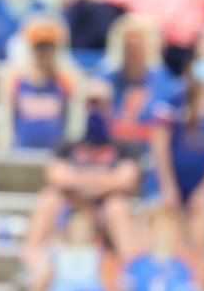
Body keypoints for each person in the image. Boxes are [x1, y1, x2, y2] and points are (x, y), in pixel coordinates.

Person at [143, 48, 204, 289]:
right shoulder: (174, 98)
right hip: (167, 180)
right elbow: (158, 146)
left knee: (200, 242)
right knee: (162, 239)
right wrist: (167, 186)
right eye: (203, 61)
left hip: (201, 184)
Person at [22, 110, 139, 266]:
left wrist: (86, 181)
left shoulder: (121, 146)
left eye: (100, 105)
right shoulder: (69, 144)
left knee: (117, 207)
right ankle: (31, 260)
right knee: (48, 199)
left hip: (103, 209)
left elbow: (127, 178)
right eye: (91, 104)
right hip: (72, 205)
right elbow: (54, 174)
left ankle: (130, 268)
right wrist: (95, 180)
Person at [86, 14, 174, 153]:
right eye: (128, 48)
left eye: (138, 47)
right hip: (112, 155)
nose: (133, 53)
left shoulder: (161, 78)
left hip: (149, 153)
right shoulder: (104, 77)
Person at [0, 16, 84, 152]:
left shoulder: (67, 78)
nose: (45, 52)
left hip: (56, 155)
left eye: (49, 46)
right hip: (21, 152)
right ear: (31, 48)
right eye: (40, 47)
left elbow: (75, 121)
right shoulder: (16, 77)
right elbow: (6, 119)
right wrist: (4, 148)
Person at [117, 204, 194, 291]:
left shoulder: (182, 270)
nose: (161, 234)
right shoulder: (135, 266)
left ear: (173, 231)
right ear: (150, 231)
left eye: (166, 228)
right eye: (157, 228)